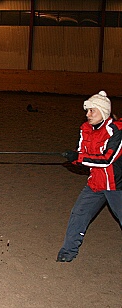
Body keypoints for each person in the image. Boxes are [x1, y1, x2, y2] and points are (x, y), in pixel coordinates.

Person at [58, 90, 122, 262]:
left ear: (103, 111)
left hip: (116, 185)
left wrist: (79, 158)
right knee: (78, 214)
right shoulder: (85, 130)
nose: (88, 114)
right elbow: (83, 155)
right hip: (95, 183)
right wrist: (73, 158)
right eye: (87, 111)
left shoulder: (115, 131)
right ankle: (67, 253)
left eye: (92, 110)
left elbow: (107, 159)